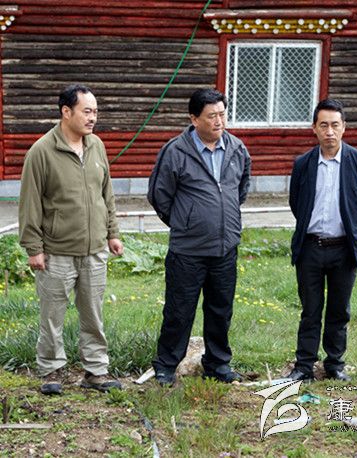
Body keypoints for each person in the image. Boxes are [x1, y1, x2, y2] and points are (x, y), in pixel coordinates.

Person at [19, 84, 124, 395]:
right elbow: (30, 204)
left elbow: (106, 194)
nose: (93, 118)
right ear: (66, 112)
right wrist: (34, 248)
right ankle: (51, 371)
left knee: (93, 314)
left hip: (95, 250)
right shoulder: (41, 151)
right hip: (56, 252)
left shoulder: (97, 146)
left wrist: (113, 233)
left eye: (95, 112)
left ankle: (96, 371)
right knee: (52, 316)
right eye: (86, 111)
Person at [148, 88, 251, 386]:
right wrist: (186, 222)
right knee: (179, 311)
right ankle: (167, 365)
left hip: (225, 248)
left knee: (221, 310)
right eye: (211, 116)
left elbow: (240, 189)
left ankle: (217, 364)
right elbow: (159, 195)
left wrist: (222, 219)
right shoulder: (175, 151)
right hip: (188, 250)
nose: (219, 121)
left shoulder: (237, 148)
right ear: (194, 119)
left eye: (222, 114)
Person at [286, 99, 357, 382]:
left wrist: (353, 232)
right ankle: (304, 365)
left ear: (344, 127)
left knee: (339, 310)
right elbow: (296, 203)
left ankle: (335, 364)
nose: (329, 131)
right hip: (311, 247)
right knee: (310, 310)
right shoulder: (303, 163)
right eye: (323, 125)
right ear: (314, 128)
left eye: (335, 125)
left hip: (344, 248)